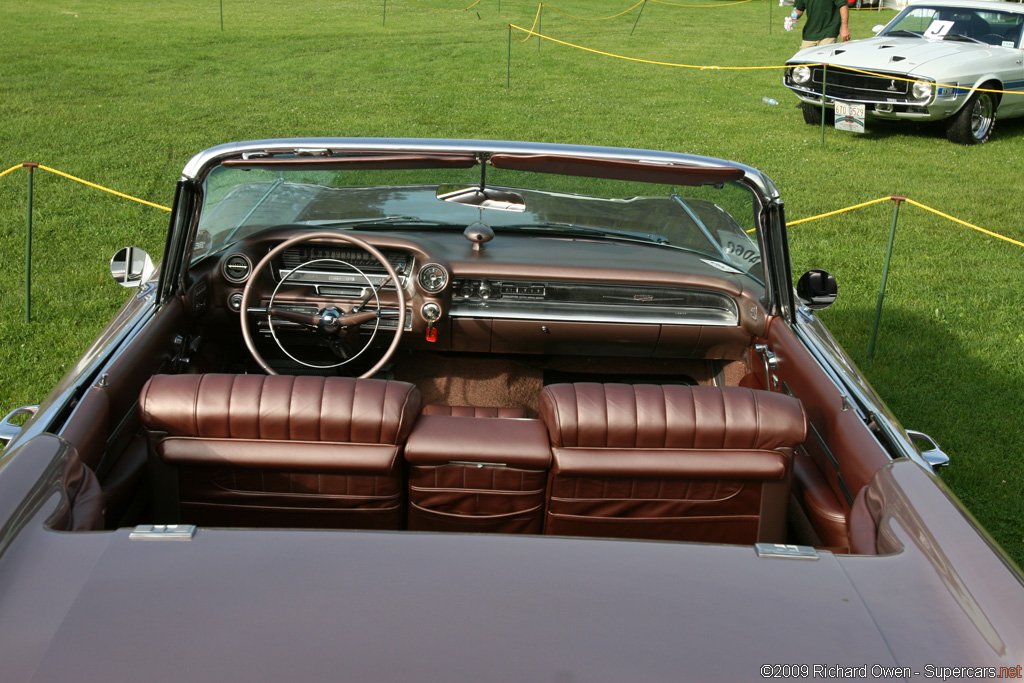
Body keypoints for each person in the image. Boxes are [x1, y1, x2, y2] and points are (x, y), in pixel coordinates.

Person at [784, 0, 851, 49]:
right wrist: (792, 18)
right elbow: (799, 8)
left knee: (822, 62)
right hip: (809, 34)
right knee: (804, 64)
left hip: (828, 32)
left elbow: (843, 6)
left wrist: (844, 27)